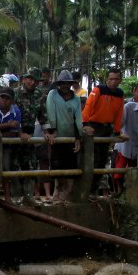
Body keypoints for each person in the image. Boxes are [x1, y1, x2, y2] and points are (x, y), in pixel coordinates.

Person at [44, 70, 84, 203]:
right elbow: (50, 113)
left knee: (71, 166)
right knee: (57, 166)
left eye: (68, 83)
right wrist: (52, 130)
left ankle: (67, 194)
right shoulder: (53, 94)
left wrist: (78, 137)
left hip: (70, 137)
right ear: (59, 84)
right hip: (57, 137)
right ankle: (57, 194)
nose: (65, 86)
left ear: (71, 84)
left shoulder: (76, 99)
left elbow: (78, 119)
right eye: (63, 83)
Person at [81, 68, 124, 182]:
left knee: (103, 160)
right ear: (107, 80)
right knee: (92, 157)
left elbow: (119, 114)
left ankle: (94, 188)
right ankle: (87, 187)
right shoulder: (98, 89)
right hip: (93, 126)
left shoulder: (120, 94)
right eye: (111, 79)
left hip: (107, 128)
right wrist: (84, 124)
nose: (113, 81)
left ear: (120, 80)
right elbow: (88, 106)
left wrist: (117, 131)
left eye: (116, 79)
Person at [13, 69, 48, 191]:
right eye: (30, 79)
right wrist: (19, 132)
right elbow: (11, 115)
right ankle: (15, 196)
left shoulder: (41, 95)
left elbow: (43, 116)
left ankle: (29, 195)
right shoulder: (15, 93)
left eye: (36, 80)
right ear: (24, 79)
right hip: (14, 134)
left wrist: (48, 132)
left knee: (31, 165)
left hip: (31, 135)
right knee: (14, 165)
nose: (32, 82)